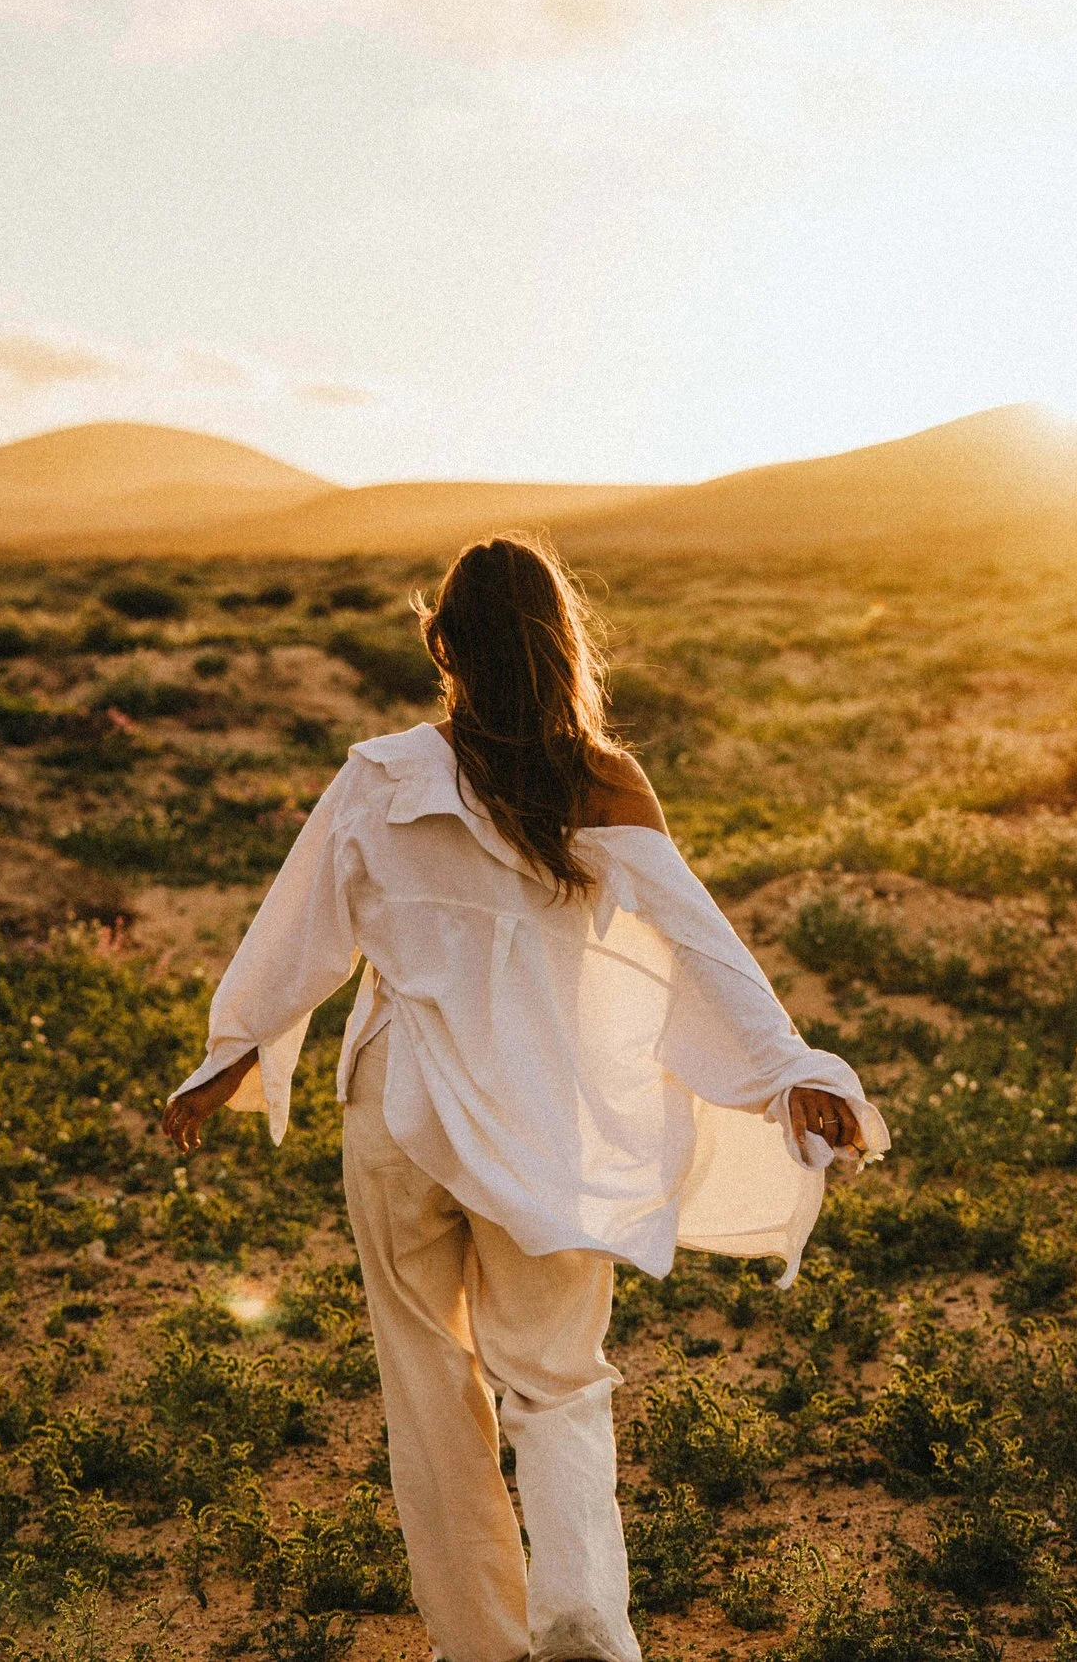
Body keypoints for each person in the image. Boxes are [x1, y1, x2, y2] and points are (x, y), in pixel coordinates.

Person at [161, 536, 888, 1662]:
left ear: (440, 644)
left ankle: (484, 1645)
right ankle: (584, 1630)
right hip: (541, 1114)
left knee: (427, 1383)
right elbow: (706, 947)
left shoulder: (383, 773)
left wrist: (227, 1053)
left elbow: (297, 928)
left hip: (395, 1107)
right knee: (555, 1379)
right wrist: (793, 1068)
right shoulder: (600, 780)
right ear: (564, 647)